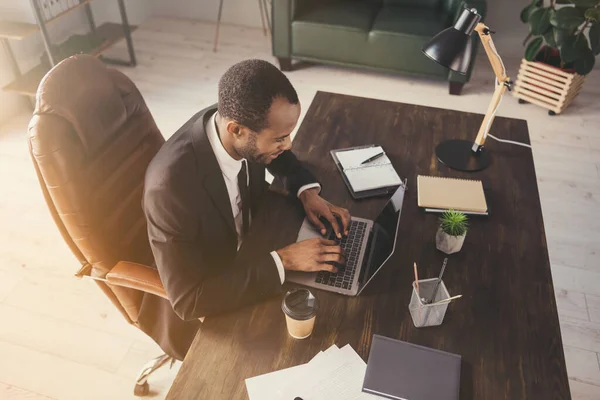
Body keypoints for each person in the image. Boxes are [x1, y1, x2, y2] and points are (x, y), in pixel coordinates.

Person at [142, 59, 350, 358]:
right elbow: (189, 301)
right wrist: (284, 260)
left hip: (255, 236)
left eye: (289, 134)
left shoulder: (235, 128)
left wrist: (307, 192)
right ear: (236, 129)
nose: (289, 145)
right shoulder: (170, 190)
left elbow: (275, 155)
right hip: (224, 283)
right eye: (280, 138)